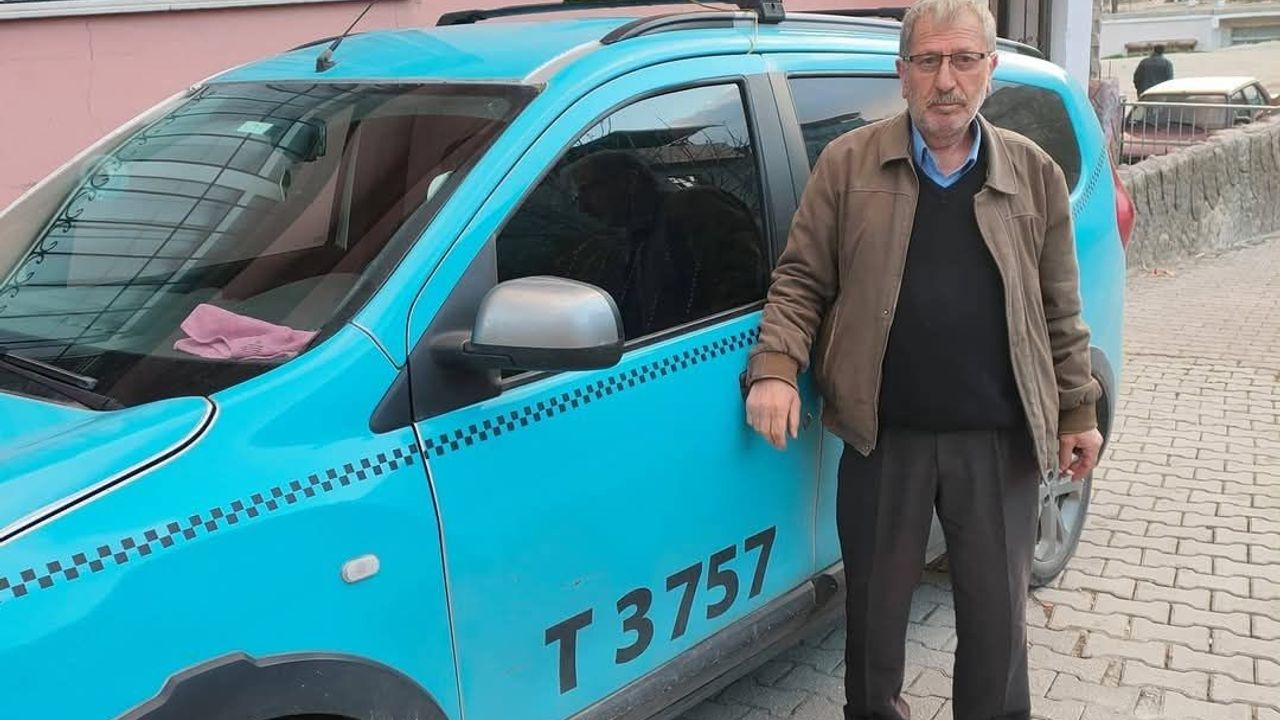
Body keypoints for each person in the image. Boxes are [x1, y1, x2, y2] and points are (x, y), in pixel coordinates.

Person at [740, 1, 1104, 718]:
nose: (946, 80)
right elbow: (801, 280)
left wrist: (1078, 409)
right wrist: (776, 366)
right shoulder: (848, 164)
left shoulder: (1032, 173)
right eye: (928, 61)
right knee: (873, 628)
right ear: (901, 73)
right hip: (884, 441)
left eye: (964, 60)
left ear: (989, 70)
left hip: (997, 443)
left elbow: (1060, 308)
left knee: (997, 629)